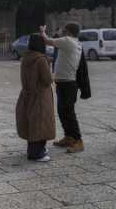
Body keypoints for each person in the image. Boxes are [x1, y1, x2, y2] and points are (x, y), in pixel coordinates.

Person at [40, 23, 84, 153]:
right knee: (63, 112)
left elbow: (47, 40)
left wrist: (42, 31)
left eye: (64, 30)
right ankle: (69, 137)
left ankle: (78, 141)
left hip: (67, 84)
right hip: (66, 83)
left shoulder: (67, 41)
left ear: (68, 31)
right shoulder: (75, 42)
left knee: (68, 113)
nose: (61, 31)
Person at [16, 34, 55, 162]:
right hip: (40, 95)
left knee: (31, 122)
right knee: (40, 122)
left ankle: (34, 149)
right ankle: (36, 153)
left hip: (27, 94)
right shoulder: (41, 59)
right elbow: (47, 80)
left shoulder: (25, 58)